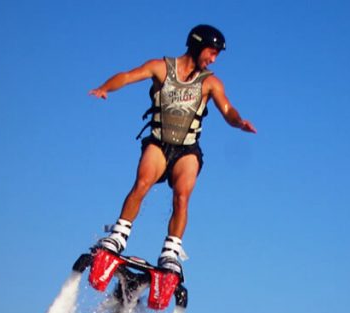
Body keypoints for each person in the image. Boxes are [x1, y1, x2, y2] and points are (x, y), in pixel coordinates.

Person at [88, 24, 256, 274]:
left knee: (182, 196)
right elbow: (127, 76)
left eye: (217, 55)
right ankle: (118, 236)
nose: (213, 59)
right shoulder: (161, 67)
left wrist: (238, 122)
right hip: (158, 143)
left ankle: (170, 252)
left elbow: (228, 109)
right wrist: (105, 88)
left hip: (187, 150)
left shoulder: (210, 83)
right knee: (142, 183)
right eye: (211, 52)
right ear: (197, 45)